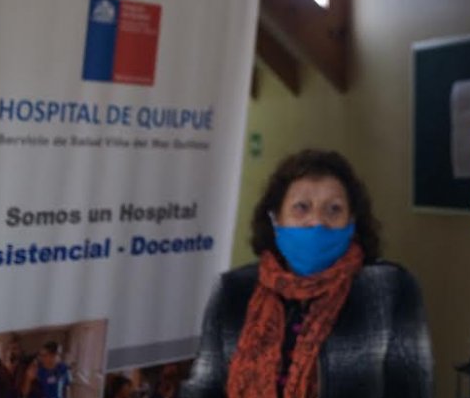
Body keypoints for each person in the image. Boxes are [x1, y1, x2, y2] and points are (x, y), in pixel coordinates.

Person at [182, 149, 433, 398]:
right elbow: (204, 387)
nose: (317, 221)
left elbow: (413, 389)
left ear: (352, 221)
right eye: (301, 207)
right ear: (275, 220)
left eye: (333, 209)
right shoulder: (233, 290)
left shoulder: (389, 290)